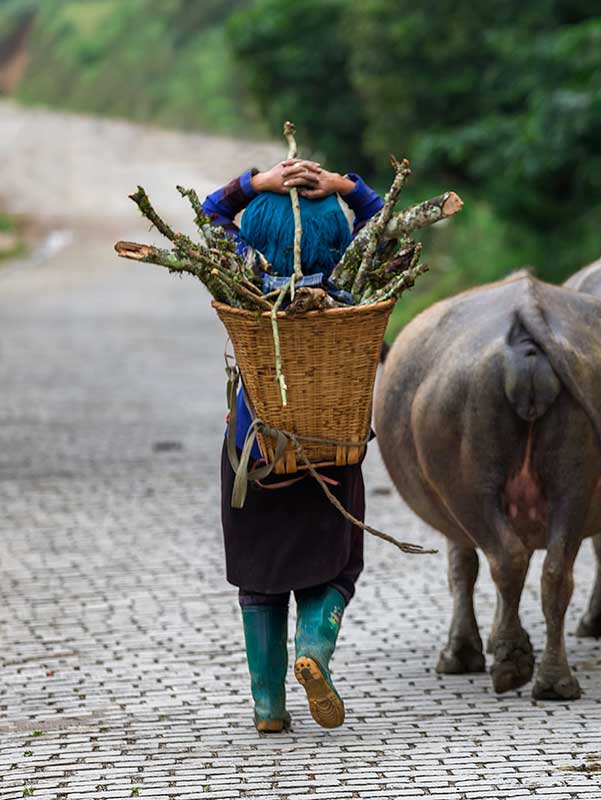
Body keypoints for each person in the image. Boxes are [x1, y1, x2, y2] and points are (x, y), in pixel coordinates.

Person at [202, 159, 383, 732]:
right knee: (337, 565)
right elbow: (383, 220)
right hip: (331, 454)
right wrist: (344, 187)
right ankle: (315, 650)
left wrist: (257, 183)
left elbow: (210, 215)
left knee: (260, 577)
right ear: (335, 239)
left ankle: (268, 708)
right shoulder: (354, 287)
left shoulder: (244, 280)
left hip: (256, 454)